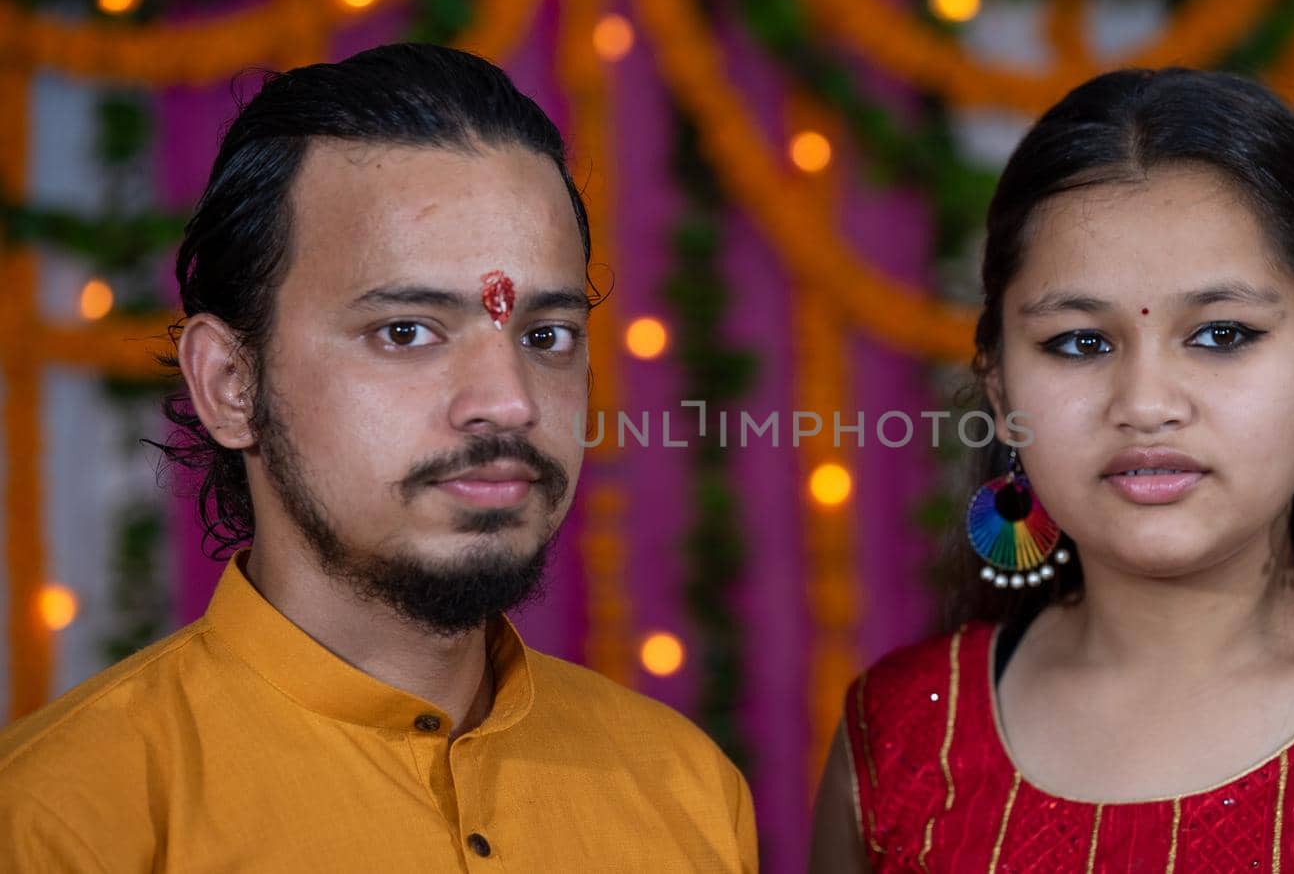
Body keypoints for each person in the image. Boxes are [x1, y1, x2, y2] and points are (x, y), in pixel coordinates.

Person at [809, 67, 1294, 872]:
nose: (1146, 403)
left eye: (1222, 334)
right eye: (1081, 342)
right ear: (1003, 387)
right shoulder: (902, 734)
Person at [0, 43, 756, 872]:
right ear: (230, 384)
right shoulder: (66, 820)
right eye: (406, 332)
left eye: (547, 335)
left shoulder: (684, 790)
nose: (510, 402)